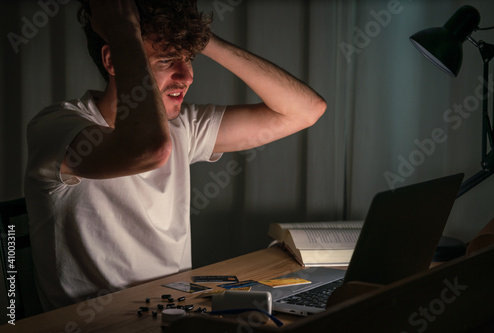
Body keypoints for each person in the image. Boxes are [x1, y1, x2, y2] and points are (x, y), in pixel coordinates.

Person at [24, 0, 326, 311]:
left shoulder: (184, 126)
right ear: (113, 60)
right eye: (168, 60)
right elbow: (149, 149)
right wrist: (124, 33)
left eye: (189, 59)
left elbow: (305, 111)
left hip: (171, 314)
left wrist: (201, 37)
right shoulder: (57, 127)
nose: (186, 76)